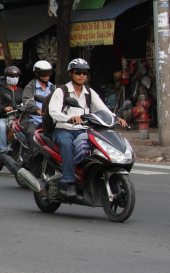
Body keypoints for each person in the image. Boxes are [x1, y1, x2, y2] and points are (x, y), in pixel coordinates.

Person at [49, 58, 127, 198]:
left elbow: (103, 109)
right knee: (67, 145)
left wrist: (116, 118)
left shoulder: (89, 93)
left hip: (84, 130)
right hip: (64, 130)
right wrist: (69, 118)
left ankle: (89, 176)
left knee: (98, 147)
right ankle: (68, 182)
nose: (82, 76)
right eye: (78, 72)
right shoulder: (62, 91)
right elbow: (53, 111)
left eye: (85, 73)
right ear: (70, 74)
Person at [21, 60, 53, 160]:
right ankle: (32, 162)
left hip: (49, 122)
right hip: (34, 121)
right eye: (44, 74)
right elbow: (27, 102)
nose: (47, 76)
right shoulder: (30, 87)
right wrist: (38, 110)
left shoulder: (53, 88)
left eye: (49, 73)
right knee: (31, 134)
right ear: (37, 74)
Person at [0, 65, 22, 154]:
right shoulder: (0, 91)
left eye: (16, 76)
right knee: (2, 127)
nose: (15, 78)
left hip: (17, 117)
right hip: (3, 117)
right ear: (6, 77)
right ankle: (3, 150)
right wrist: (5, 109)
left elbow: (26, 102)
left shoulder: (20, 91)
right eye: (12, 76)